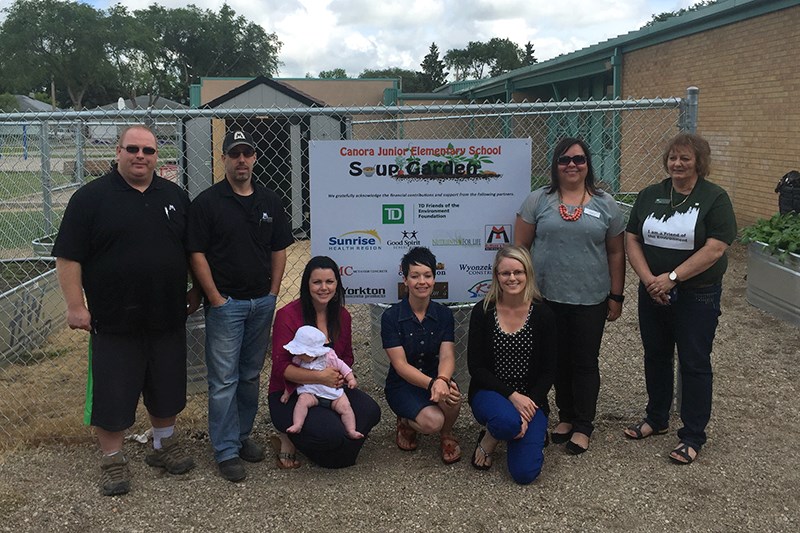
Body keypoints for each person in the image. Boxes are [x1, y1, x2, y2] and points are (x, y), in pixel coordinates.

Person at [53, 125, 199, 496]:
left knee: (166, 383)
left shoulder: (175, 196)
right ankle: (113, 458)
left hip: (167, 314)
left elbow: (193, 252)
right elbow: (69, 256)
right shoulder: (90, 199)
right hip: (114, 318)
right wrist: (75, 306)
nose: (140, 156)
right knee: (113, 390)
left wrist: (196, 290)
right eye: (132, 148)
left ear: (156, 156)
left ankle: (163, 444)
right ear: (117, 151)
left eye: (148, 151)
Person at [187, 129, 294, 482]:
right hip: (226, 305)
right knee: (222, 380)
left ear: (255, 158)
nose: (242, 160)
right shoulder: (207, 202)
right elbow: (197, 253)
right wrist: (215, 297)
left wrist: (273, 292)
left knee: (249, 376)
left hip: (261, 302)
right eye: (235, 154)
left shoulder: (269, 201)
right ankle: (225, 450)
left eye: (247, 153)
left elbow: (279, 248)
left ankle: (242, 435)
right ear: (224, 159)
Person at [623, 133, 736, 465]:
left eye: (685, 158)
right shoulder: (650, 195)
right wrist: (650, 281)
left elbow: (715, 248)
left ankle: (692, 435)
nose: (677, 164)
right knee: (656, 355)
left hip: (696, 294)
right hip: (653, 292)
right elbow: (632, 239)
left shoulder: (714, 198)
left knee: (694, 362)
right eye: (673, 158)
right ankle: (657, 418)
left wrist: (672, 278)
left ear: (699, 161)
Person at [515, 137, 625, 455]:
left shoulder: (606, 204)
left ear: (588, 164)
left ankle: (584, 425)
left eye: (578, 159)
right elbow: (520, 249)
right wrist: (522, 292)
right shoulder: (538, 201)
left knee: (585, 362)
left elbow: (616, 252)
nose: (572, 165)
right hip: (546, 297)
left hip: (590, 299)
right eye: (564, 160)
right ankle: (565, 417)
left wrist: (616, 295)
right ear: (555, 166)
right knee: (556, 361)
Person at [269, 256, 381, 469]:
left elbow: (347, 357)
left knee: (370, 411)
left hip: (330, 389)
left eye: (329, 282)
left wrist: (339, 378)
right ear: (307, 284)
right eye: (317, 282)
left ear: (337, 284)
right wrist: (319, 377)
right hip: (292, 393)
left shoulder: (342, 316)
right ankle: (289, 437)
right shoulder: (287, 316)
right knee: (332, 437)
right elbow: (280, 367)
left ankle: (336, 445)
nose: (324, 288)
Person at [467, 245, 557, 484]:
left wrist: (529, 407)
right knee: (507, 422)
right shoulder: (483, 311)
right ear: (496, 276)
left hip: (530, 399)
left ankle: (518, 428)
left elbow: (549, 371)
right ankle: (489, 438)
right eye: (505, 273)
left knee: (524, 474)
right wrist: (512, 397)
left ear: (528, 274)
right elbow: (476, 368)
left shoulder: (543, 314)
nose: (512, 278)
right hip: (491, 392)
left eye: (518, 272)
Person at [381, 246, 462, 464]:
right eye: (415, 276)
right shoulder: (390, 317)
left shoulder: (444, 314)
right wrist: (433, 384)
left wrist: (443, 380)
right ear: (405, 279)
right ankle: (406, 422)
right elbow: (400, 365)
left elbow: (446, 356)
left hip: (435, 377)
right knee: (432, 422)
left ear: (434, 279)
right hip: (403, 384)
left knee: (453, 397)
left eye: (427, 275)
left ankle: (447, 435)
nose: (422, 282)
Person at [280, 325, 364, 439]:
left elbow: (342, 366)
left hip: (333, 392)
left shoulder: (329, 356)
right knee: (302, 401)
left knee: (345, 407)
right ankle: (298, 424)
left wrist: (350, 378)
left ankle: (351, 430)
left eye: (302, 353)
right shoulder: (297, 360)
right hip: (311, 392)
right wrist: (287, 393)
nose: (299, 355)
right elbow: (294, 380)